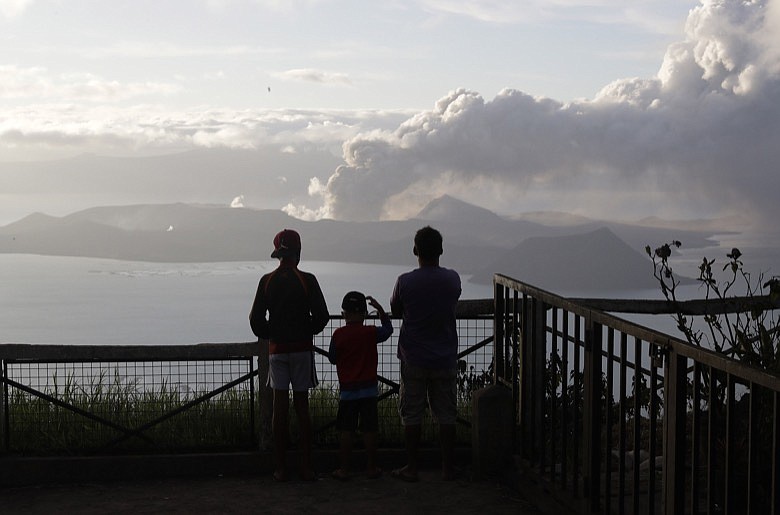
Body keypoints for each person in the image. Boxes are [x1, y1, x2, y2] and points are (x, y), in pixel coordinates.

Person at [250, 229, 329, 482]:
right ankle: (306, 467)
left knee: (279, 409)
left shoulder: (267, 281)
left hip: (277, 351)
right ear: (298, 252)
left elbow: (255, 320)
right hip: (302, 350)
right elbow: (322, 317)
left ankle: (281, 468)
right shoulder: (308, 280)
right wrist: (305, 331)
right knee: (302, 408)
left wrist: (272, 334)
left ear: (277, 253)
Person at [389, 225, 461, 482]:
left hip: (414, 357)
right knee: (446, 414)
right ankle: (448, 468)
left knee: (412, 413)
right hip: (444, 357)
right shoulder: (452, 279)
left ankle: (412, 467)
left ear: (415, 251)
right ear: (441, 250)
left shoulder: (405, 282)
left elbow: (396, 310)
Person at [328, 291, 393, 481]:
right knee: (369, 429)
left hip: (347, 392)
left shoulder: (338, 334)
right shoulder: (371, 332)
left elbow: (332, 358)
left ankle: (344, 469)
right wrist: (381, 310)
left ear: (344, 314)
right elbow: (388, 329)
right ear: (365, 314)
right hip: (369, 391)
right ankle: (371, 468)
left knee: (346, 430)